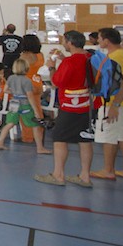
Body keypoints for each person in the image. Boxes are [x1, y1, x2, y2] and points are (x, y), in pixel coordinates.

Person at [34, 31, 94, 186]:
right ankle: (85, 177)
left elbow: (56, 83)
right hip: (86, 105)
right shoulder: (89, 57)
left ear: (69, 43)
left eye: (64, 41)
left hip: (69, 106)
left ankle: (58, 175)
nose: (62, 44)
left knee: (60, 138)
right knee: (85, 139)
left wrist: (52, 68)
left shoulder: (69, 62)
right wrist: (63, 58)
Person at [90, 27, 123, 181]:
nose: (98, 41)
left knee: (109, 135)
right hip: (121, 100)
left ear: (107, 40)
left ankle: (108, 170)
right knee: (122, 134)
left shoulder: (117, 56)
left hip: (114, 101)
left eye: (100, 38)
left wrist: (115, 106)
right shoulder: (119, 54)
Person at [0, 59, 49, 153]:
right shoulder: (27, 81)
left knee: (10, 123)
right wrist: (36, 110)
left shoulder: (11, 78)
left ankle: (0, 143)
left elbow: (5, 90)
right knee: (35, 125)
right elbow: (30, 96)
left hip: (14, 103)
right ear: (27, 68)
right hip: (25, 104)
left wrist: (15, 93)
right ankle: (40, 148)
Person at [19, 34, 47, 125]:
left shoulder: (25, 56)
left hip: (27, 85)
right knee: (37, 108)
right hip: (38, 83)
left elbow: (20, 72)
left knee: (26, 112)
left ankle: (28, 133)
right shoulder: (40, 55)